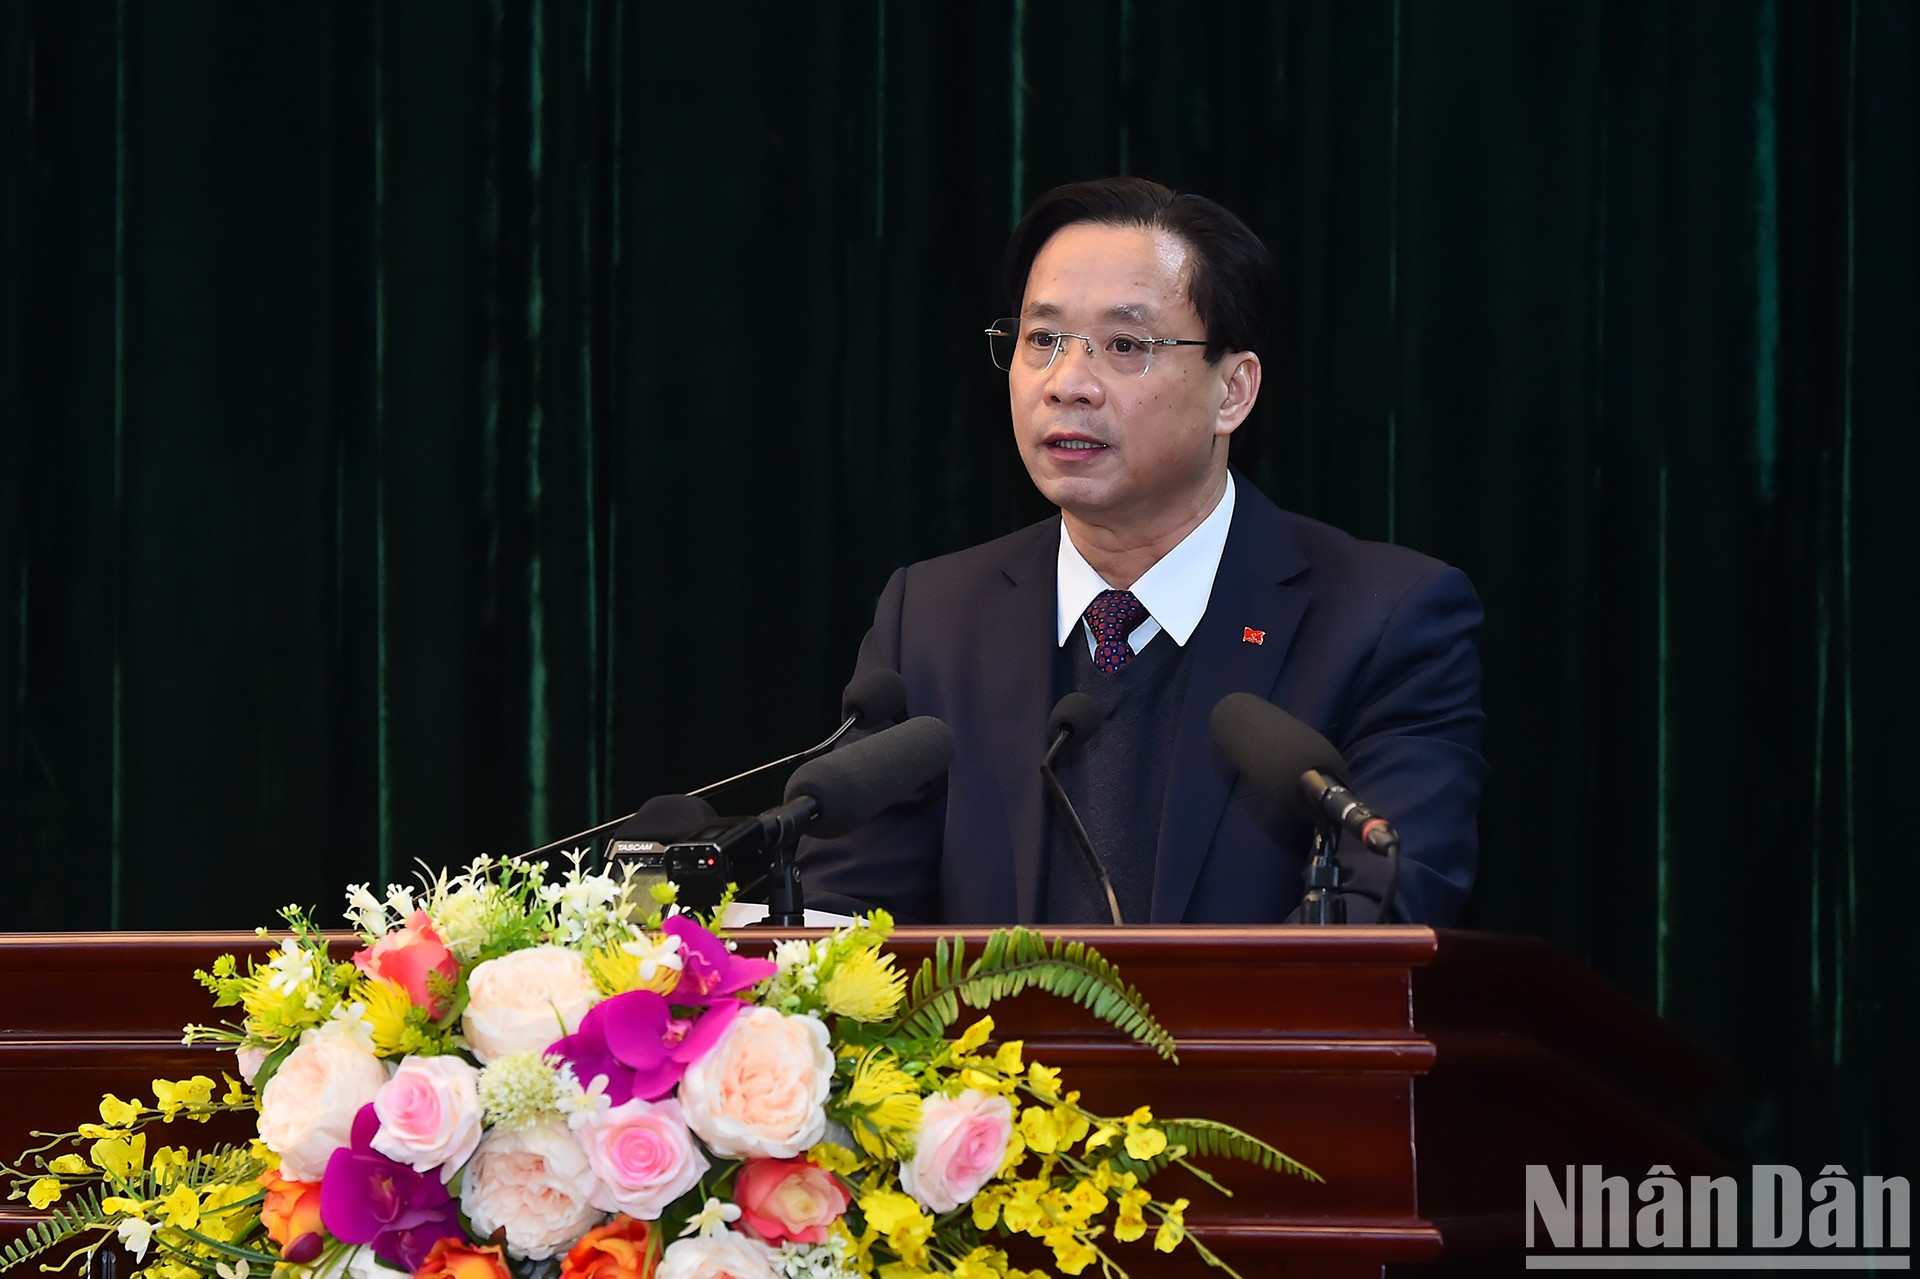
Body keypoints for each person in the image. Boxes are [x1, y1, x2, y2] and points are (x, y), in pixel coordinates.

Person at [797, 177, 1484, 925]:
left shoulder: (1382, 622)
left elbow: (1386, 903)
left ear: (1233, 391)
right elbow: (841, 914)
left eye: (1125, 344)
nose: (1067, 383)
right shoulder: (931, 617)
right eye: (1041, 339)